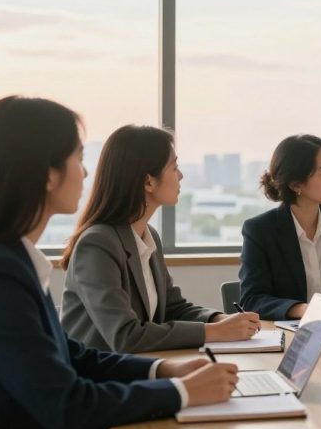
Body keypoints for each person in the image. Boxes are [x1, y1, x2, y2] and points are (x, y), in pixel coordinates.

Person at [0, 97, 239, 429]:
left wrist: (161, 368)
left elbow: (72, 354)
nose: (84, 174)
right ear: (48, 174)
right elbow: (68, 405)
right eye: (79, 159)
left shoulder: (8, 260)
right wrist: (181, 392)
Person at [61, 125, 260, 353]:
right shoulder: (97, 244)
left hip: (140, 367)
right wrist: (215, 332)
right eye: (174, 167)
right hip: (100, 380)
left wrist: (219, 319)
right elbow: (126, 336)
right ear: (148, 182)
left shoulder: (147, 235)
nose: (181, 175)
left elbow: (172, 307)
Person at [239, 134, 321, 320]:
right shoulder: (260, 230)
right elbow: (252, 299)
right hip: (292, 334)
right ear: (296, 184)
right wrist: (303, 309)